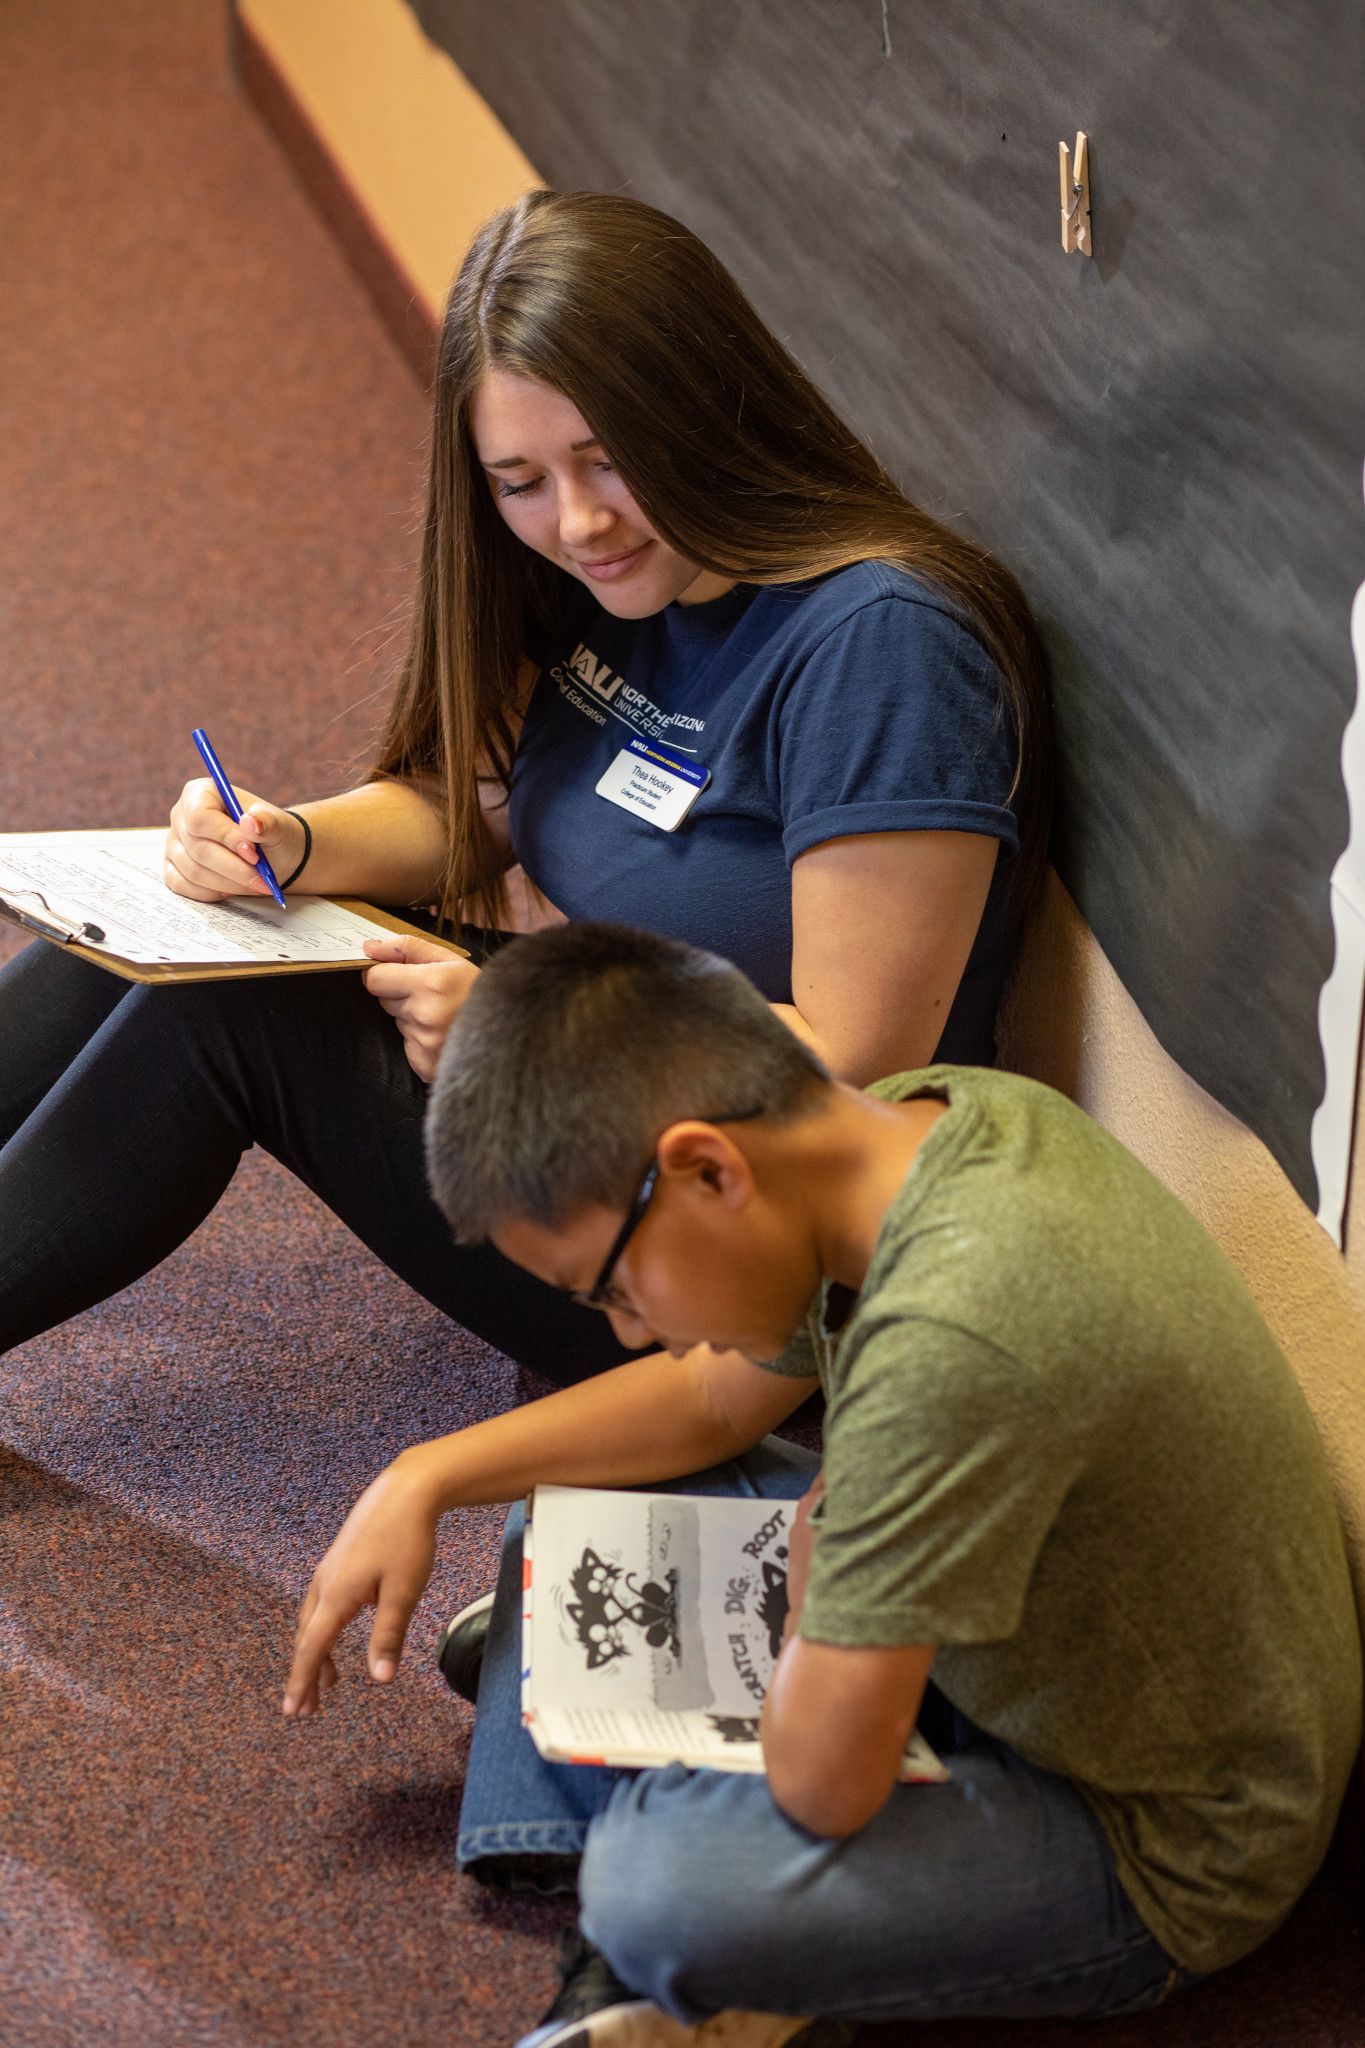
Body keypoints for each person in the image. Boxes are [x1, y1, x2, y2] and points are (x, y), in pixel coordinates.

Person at [0, 187, 1047, 1384]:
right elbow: (476, 801)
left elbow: (859, 1059)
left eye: (612, 462)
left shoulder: (885, 643)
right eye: (522, 479)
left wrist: (523, 1033)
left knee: (230, 1008)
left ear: (704, 412)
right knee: (177, 930)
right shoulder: (600, 575)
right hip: (601, 1059)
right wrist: (285, 842)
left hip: (744, 1237)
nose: (580, 519)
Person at [284, 923, 1361, 2048]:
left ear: (709, 1166)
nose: (629, 1329)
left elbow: (822, 1788)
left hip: (1158, 1838)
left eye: (611, 1286)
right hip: (1011, 1642)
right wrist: (427, 1471)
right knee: (565, 1495)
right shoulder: (922, 1117)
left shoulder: (958, 1334)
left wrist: (812, 1593)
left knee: (656, 1889)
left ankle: (626, 1877)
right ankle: (592, 1731)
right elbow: (710, 1401)